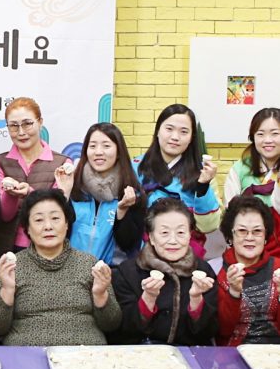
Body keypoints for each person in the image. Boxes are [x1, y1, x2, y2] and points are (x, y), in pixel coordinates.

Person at [0, 189, 121, 345]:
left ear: (67, 223)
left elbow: (111, 324)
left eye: (55, 218)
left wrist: (100, 295)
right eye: (39, 220)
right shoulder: (11, 267)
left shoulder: (90, 264)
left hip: (84, 354)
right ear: (27, 228)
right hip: (25, 355)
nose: (48, 226)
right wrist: (7, 291)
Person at [112, 197, 218, 345]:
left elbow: (209, 332)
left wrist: (196, 299)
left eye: (180, 232)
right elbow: (121, 330)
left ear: (190, 235)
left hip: (188, 353)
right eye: (164, 233)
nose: (173, 241)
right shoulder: (127, 272)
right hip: (142, 352)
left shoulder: (203, 271)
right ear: (151, 237)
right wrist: (148, 298)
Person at [133, 104, 220, 259]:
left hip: (186, 257)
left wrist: (203, 186)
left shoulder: (203, 173)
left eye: (183, 132)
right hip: (142, 255)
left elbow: (209, 226)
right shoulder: (135, 167)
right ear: (158, 131)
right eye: (169, 129)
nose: (175, 137)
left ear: (192, 137)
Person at [0, 97, 69, 264]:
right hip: (8, 249)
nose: (21, 132)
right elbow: (5, 215)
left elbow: (60, 210)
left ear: (40, 122)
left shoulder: (62, 163)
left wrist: (29, 193)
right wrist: (11, 194)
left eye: (27, 124)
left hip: (49, 249)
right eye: (14, 126)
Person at [65, 123, 145, 265]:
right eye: (92, 146)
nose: (98, 152)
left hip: (110, 272)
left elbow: (129, 245)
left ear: (119, 151)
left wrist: (122, 212)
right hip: (70, 271)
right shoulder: (73, 188)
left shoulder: (131, 194)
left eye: (106, 146)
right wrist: (64, 195)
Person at [216, 196, 280, 345]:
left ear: (265, 236)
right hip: (232, 353)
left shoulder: (278, 268)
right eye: (242, 231)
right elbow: (221, 331)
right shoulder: (216, 270)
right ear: (230, 236)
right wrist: (234, 292)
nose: (249, 237)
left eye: (257, 231)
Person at [224, 108, 280, 211]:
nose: (267, 140)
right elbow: (230, 210)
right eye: (260, 134)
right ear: (253, 137)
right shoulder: (239, 169)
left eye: (275, 133)